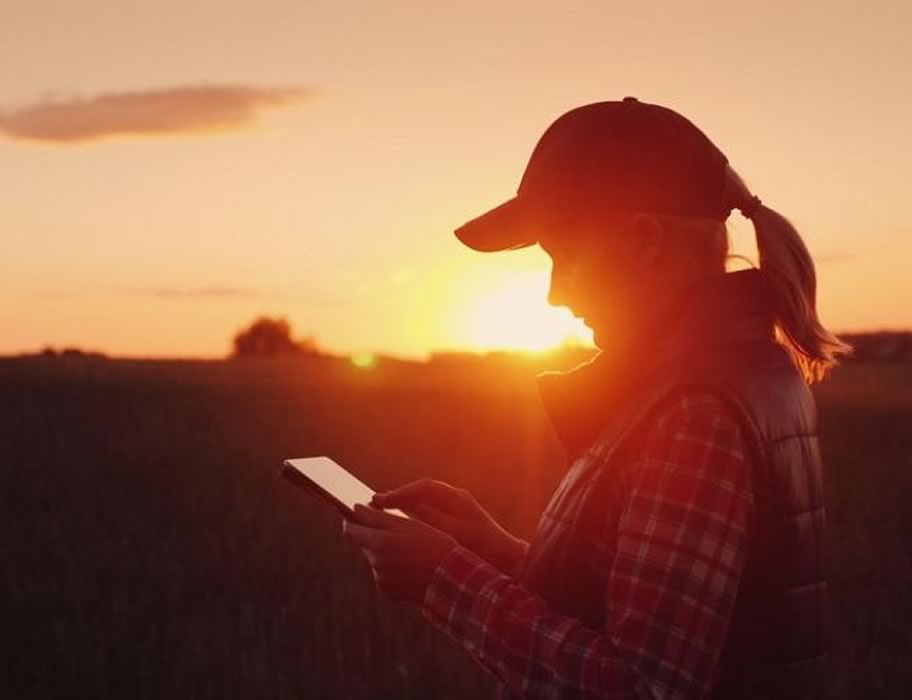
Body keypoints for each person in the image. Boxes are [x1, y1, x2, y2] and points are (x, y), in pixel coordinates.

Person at [341, 96, 851, 698]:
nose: (555, 295)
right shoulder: (731, 375)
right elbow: (648, 605)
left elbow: (643, 687)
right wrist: (494, 552)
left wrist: (446, 579)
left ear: (643, 241)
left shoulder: (694, 412)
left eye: (564, 257)